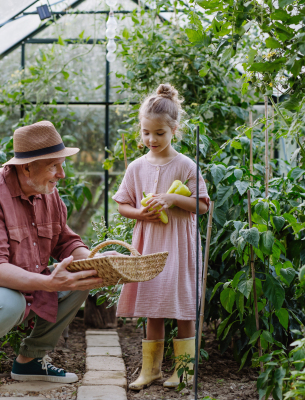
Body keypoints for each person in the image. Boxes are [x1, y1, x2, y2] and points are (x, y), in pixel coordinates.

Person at [0, 121, 119, 398]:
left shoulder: (47, 195)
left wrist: (96, 260)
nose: (62, 174)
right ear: (27, 166)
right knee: (7, 301)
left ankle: (30, 361)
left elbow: (66, 242)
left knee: (81, 279)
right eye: (54, 166)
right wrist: (48, 283)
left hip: (15, 289)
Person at [112, 84, 210, 390]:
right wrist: (141, 214)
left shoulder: (185, 165)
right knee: (153, 304)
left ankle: (185, 372)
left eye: (159, 133)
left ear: (174, 130)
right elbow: (122, 205)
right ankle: (150, 370)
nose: (151, 139)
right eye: (145, 133)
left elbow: (203, 206)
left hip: (179, 246)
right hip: (150, 244)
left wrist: (171, 199)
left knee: (182, 305)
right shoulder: (136, 167)